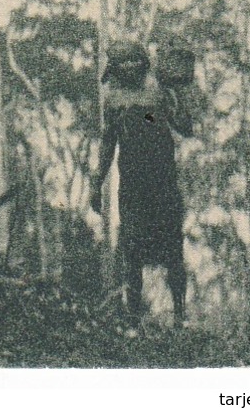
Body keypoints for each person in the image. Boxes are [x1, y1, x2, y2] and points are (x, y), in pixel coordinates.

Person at [91, 40, 192, 326]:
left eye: (132, 67)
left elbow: (185, 126)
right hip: (134, 185)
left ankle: (179, 315)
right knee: (133, 251)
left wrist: (174, 99)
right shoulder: (114, 100)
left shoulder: (159, 92)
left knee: (172, 249)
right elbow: (108, 142)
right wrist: (96, 182)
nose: (128, 72)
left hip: (161, 182)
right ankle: (135, 317)